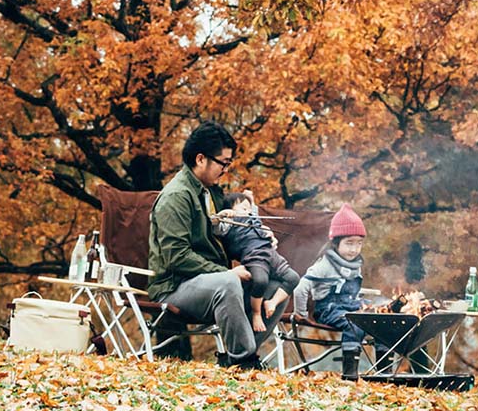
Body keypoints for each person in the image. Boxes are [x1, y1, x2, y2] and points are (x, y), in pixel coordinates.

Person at [147, 121, 289, 369]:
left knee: (278, 285)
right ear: (201, 159)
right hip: (175, 287)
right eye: (223, 162)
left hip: (212, 284)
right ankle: (245, 361)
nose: (226, 169)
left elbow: (229, 240)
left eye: (228, 163)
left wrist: (259, 240)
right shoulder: (176, 197)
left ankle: (236, 359)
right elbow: (176, 257)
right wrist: (225, 272)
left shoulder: (212, 193)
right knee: (228, 282)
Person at [293, 203, 386, 379]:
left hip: (351, 305)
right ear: (336, 243)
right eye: (349, 243)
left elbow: (353, 291)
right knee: (355, 323)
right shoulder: (324, 265)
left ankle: (384, 373)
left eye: (359, 243)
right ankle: (350, 374)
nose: (354, 249)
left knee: (380, 319)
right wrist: (301, 314)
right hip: (328, 309)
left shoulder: (355, 263)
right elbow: (300, 288)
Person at [216, 192, 300, 333]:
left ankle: (271, 302)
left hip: (271, 254)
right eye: (243, 208)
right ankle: (256, 313)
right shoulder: (229, 223)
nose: (248, 211)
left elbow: (253, 208)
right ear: (231, 210)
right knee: (260, 281)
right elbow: (216, 227)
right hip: (254, 257)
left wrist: (250, 199)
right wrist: (224, 215)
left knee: (293, 278)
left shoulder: (253, 217)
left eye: (249, 209)